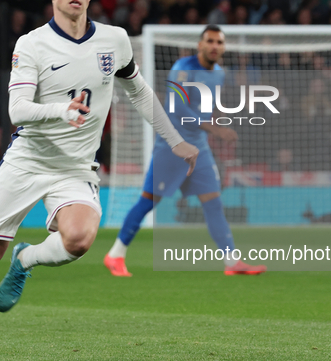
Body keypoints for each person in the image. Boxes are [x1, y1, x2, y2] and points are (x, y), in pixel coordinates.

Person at [0, 0, 198, 361]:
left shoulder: (115, 40)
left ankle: (27, 259)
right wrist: (60, 111)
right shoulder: (31, 44)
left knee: (80, 239)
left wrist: (176, 141)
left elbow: (140, 93)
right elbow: (17, 110)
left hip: (75, 167)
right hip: (28, 161)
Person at [105, 25, 267, 277]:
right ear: (200, 45)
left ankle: (232, 261)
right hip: (173, 145)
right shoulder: (183, 68)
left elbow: (208, 106)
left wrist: (220, 122)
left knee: (213, 202)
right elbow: (176, 105)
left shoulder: (220, 74)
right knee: (148, 201)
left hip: (199, 147)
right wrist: (213, 128)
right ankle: (115, 254)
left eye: (219, 42)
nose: (215, 46)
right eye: (210, 41)